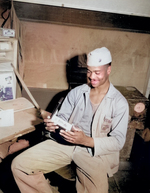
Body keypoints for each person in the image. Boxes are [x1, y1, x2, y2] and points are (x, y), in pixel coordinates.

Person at [11, 47, 129, 193]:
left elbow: (118, 141)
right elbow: (62, 118)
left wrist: (85, 140)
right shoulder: (77, 93)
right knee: (20, 165)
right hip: (65, 144)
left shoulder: (119, 102)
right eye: (89, 71)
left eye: (97, 72)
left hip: (93, 152)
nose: (92, 77)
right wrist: (53, 125)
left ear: (109, 70)